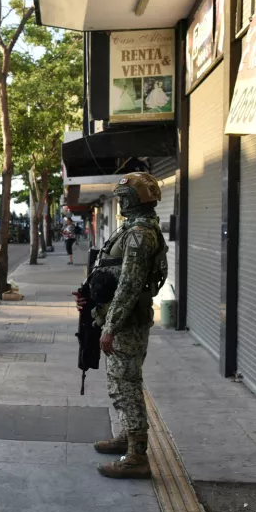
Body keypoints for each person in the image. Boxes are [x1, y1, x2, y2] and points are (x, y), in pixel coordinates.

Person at [73, 172, 167, 480]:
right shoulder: (132, 229)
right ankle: (128, 438)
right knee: (118, 384)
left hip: (126, 323)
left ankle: (137, 457)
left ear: (135, 199)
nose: (121, 201)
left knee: (127, 386)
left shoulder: (140, 233)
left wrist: (111, 326)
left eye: (124, 197)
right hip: (116, 317)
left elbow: (129, 284)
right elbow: (112, 272)